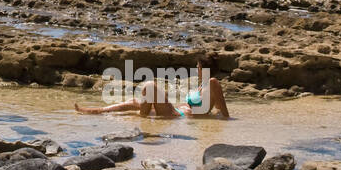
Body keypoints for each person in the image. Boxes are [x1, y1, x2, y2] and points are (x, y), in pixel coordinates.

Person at [74, 60, 230, 119]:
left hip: (177, 115)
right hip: (177, 110)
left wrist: (223, 119)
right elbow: (214, 108)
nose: (196, 67)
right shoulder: (202, 85)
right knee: (132, 101)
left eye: (199, 65)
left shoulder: (212, 82)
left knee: (150, 86)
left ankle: (141, 117)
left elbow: (223, 110)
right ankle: (93, 111)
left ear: (205, 67)